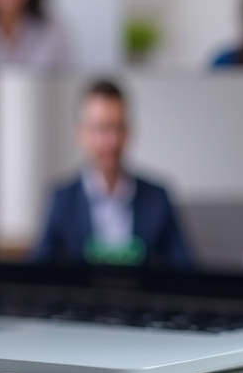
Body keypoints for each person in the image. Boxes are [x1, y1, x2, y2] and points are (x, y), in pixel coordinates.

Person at [31, 80, 191, 270]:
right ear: (82, 134)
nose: (112, 141)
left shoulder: (158, 198)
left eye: (118, 128)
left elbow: (185, 271)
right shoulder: (61, 199)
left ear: (129, 132)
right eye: (102, 129)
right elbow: (38, 273)